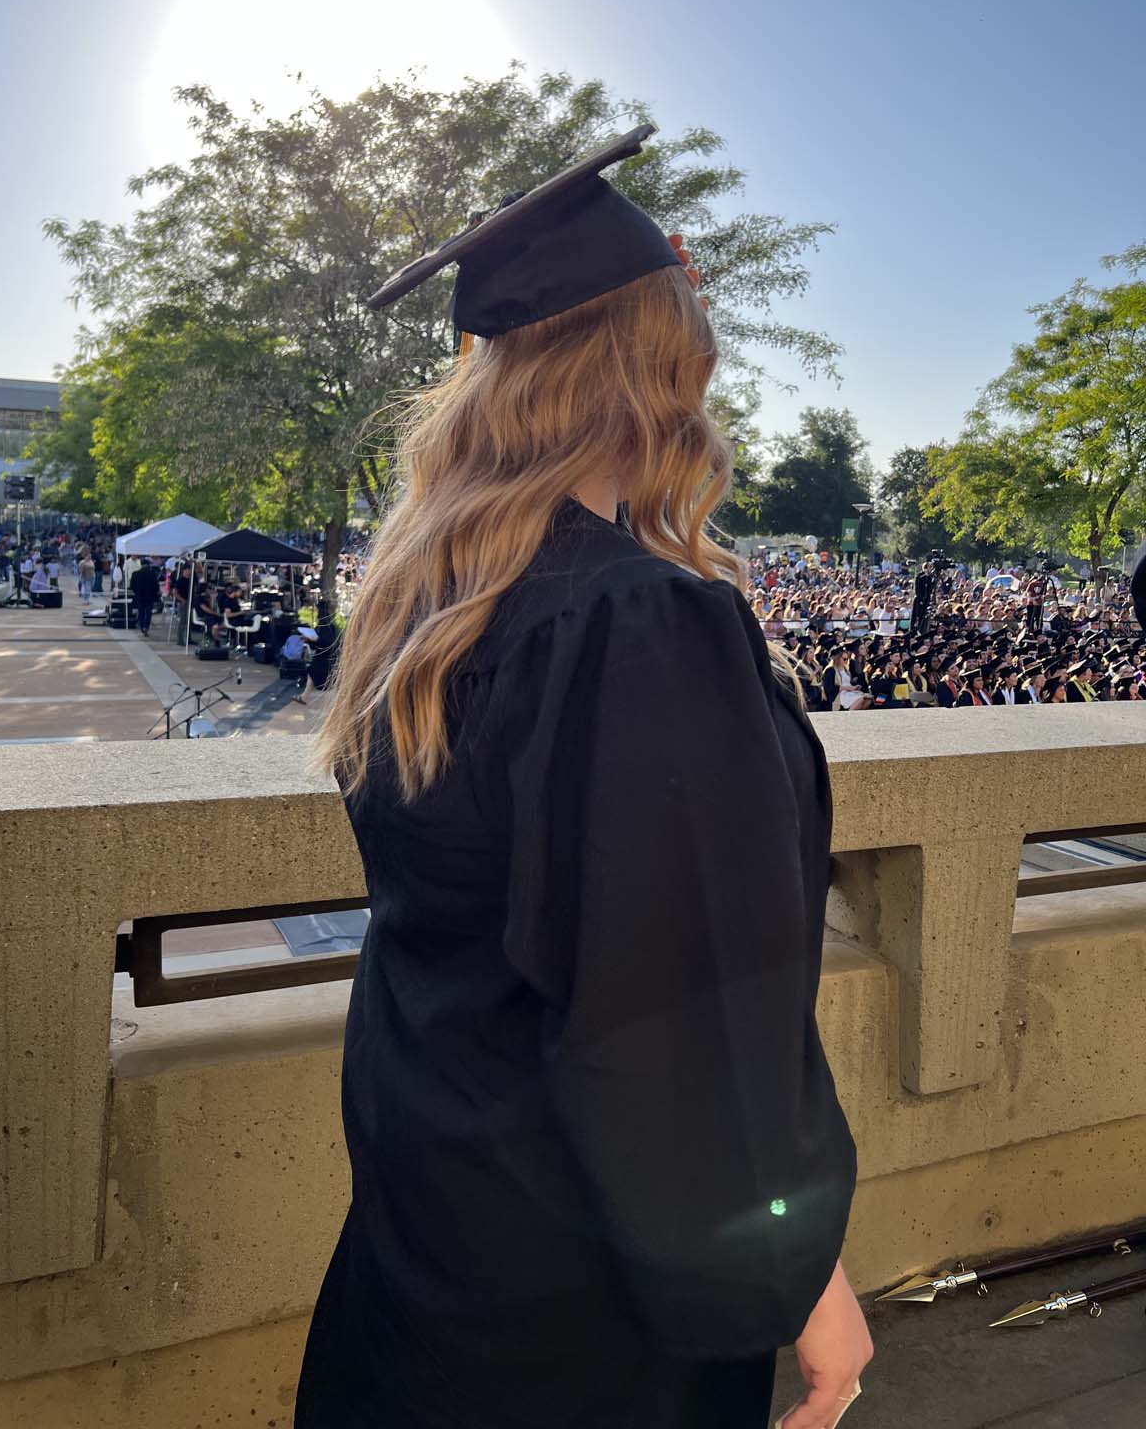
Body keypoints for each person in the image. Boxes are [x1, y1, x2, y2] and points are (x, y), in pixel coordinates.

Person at [296, 131, 868, 1429]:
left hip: (430, 1232)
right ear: (659, 375)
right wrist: (800, 1276)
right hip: (581, 1299)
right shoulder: (636, 621)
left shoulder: (428, 608)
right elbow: (667, 1009)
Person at [279, 624, 317, 702]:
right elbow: (310, 653)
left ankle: (304, 695)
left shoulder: (291, 638)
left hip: (289, 659)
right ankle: (305, 694)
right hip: (301, 660)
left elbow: (284, 650)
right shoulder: (306, 640)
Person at [130, 560, 162, 637]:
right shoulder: (152, 574)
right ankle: (146, 626)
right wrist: (156, 593)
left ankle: (141, 626)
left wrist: (137, 591)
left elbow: (132, 586)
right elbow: (156, 585)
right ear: (148, 565)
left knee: (141, 611)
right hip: (149, 596)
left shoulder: (136, 574)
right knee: (148, 612)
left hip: (140, 596)